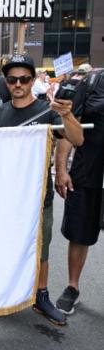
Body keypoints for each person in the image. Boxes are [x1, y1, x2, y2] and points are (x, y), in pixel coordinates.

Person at [0, 54, 83, 325]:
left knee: (42, 250)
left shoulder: (49, 111)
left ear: (32, 80)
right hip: (5, 197)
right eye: (12, 79)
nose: (18, 83)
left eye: (24, 78)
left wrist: (66, 114)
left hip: (40, 197)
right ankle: (0, 298)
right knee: (3, 246)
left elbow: (77, 138)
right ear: (6, 82)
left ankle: (41, 296)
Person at [54, 69, 104, 315]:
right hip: (88, 172)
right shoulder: (92, 82)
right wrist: (61, 169)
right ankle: (72, 287)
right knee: (80, 234)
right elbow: (69, 125)